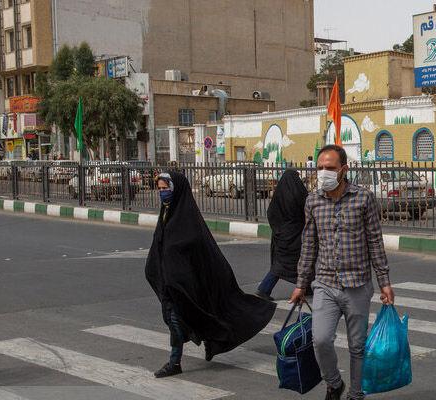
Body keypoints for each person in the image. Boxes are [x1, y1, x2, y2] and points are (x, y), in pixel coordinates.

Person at [145, 172, 276, 378]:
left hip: (187, 285)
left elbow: (196, 253)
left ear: (176, 189)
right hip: (171, 284)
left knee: (178, 321)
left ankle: (175, 361)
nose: (163, 193)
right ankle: (206, 343)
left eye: (166, 189)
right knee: (176, 320)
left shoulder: (187, 220)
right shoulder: (166, 213)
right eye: (160, 189)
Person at [289, 145, 395, 400]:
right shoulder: (313, 201)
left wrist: (384, 282)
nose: (324, 172)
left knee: (357, 346)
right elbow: (309, 245)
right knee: (321, 339)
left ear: (344, 169)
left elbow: (375, 241)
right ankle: (334, 383)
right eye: (320, 168)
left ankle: (356, 394)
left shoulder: (363, 198)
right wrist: (301, 283)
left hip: (357, 285)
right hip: (325, 283)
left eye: (330, 168)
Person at [256, 169, 308, 300]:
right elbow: (307, 210)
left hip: (281, 236)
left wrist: (278, 229)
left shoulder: (278, 195)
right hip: (296, 236)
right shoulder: (299, 193)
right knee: (295, 263)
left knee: (283, 264)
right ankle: (264, 289)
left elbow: (271, 214)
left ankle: (306, 288)